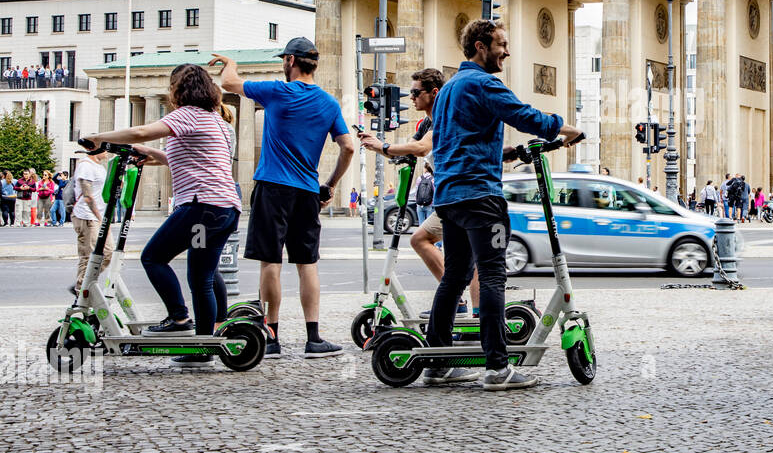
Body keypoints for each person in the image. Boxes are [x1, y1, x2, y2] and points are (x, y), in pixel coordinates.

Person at [426, 19, 581, 390]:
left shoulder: (449, 89)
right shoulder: (483, 83)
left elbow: (459, 142)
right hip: (480, 197)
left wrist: (504, 152)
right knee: (493, 275)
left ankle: (436, 361)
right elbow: (524, 115)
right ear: (481, 46)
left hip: (449, 196)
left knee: (455, 276)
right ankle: (498, 368)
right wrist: (565, 128)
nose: (507, 51)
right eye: (502, 44)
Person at [84, 63, 242, 364]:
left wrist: (99, 137)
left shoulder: (188, 114)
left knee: (154, 257)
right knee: (202, 277)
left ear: (179, 89)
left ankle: (180, 319)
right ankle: (204, 343)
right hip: (223, 210)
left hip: (202, 208)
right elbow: (193, 158)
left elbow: (142, 131)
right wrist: (154, 155)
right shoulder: (217, 121)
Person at [212, 37, 356, 359]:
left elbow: (230, 83)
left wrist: (230, 63)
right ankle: (314, 338)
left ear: (290, 61)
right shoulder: (329, 103)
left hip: (272, 188)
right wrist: (330, 185)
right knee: (308, 265)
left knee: (270, 263)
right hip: (307, 191)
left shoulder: (277, 91)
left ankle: (272, 337)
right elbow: (348, 147)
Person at [355, 67, 481, 318]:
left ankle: (477, 317)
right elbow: (410, 149)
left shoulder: (447, 116)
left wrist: (385, 145)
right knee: (421, 240)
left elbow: (422, 148)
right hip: (450, 196)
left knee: (475, 259)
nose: (411, 98)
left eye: (415, 93)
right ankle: (457, 302)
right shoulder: (425, 123)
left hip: (469, 193)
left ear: (434, 93)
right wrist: (375, 145)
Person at [70, 149, 111, 289]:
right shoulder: (86, 165)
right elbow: (87, 196)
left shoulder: (99, 166)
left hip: (100, 215)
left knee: (108, 253)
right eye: (105, 149)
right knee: (89, 256)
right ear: (96, 150)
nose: (107, 152)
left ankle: (85, 283)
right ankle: (81, 290)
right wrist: (99, 217)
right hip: (87, 215)